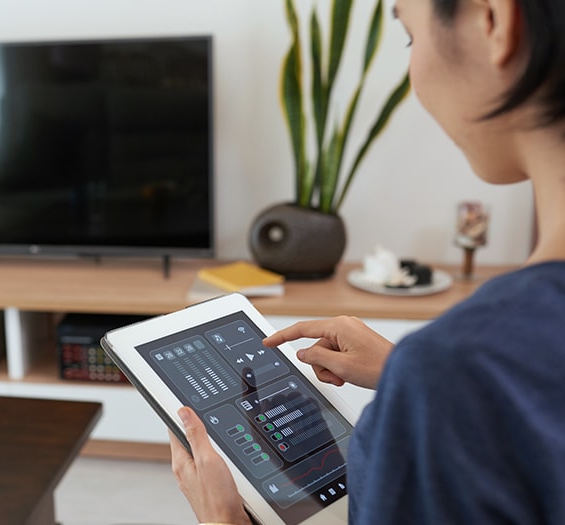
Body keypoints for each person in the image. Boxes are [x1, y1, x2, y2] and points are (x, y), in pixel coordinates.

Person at [170, 0, 565, 523]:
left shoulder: (464, 368)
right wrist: (409, 379)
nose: (413, 69)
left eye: (409, 35)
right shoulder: (471, 371)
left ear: (492, 21)